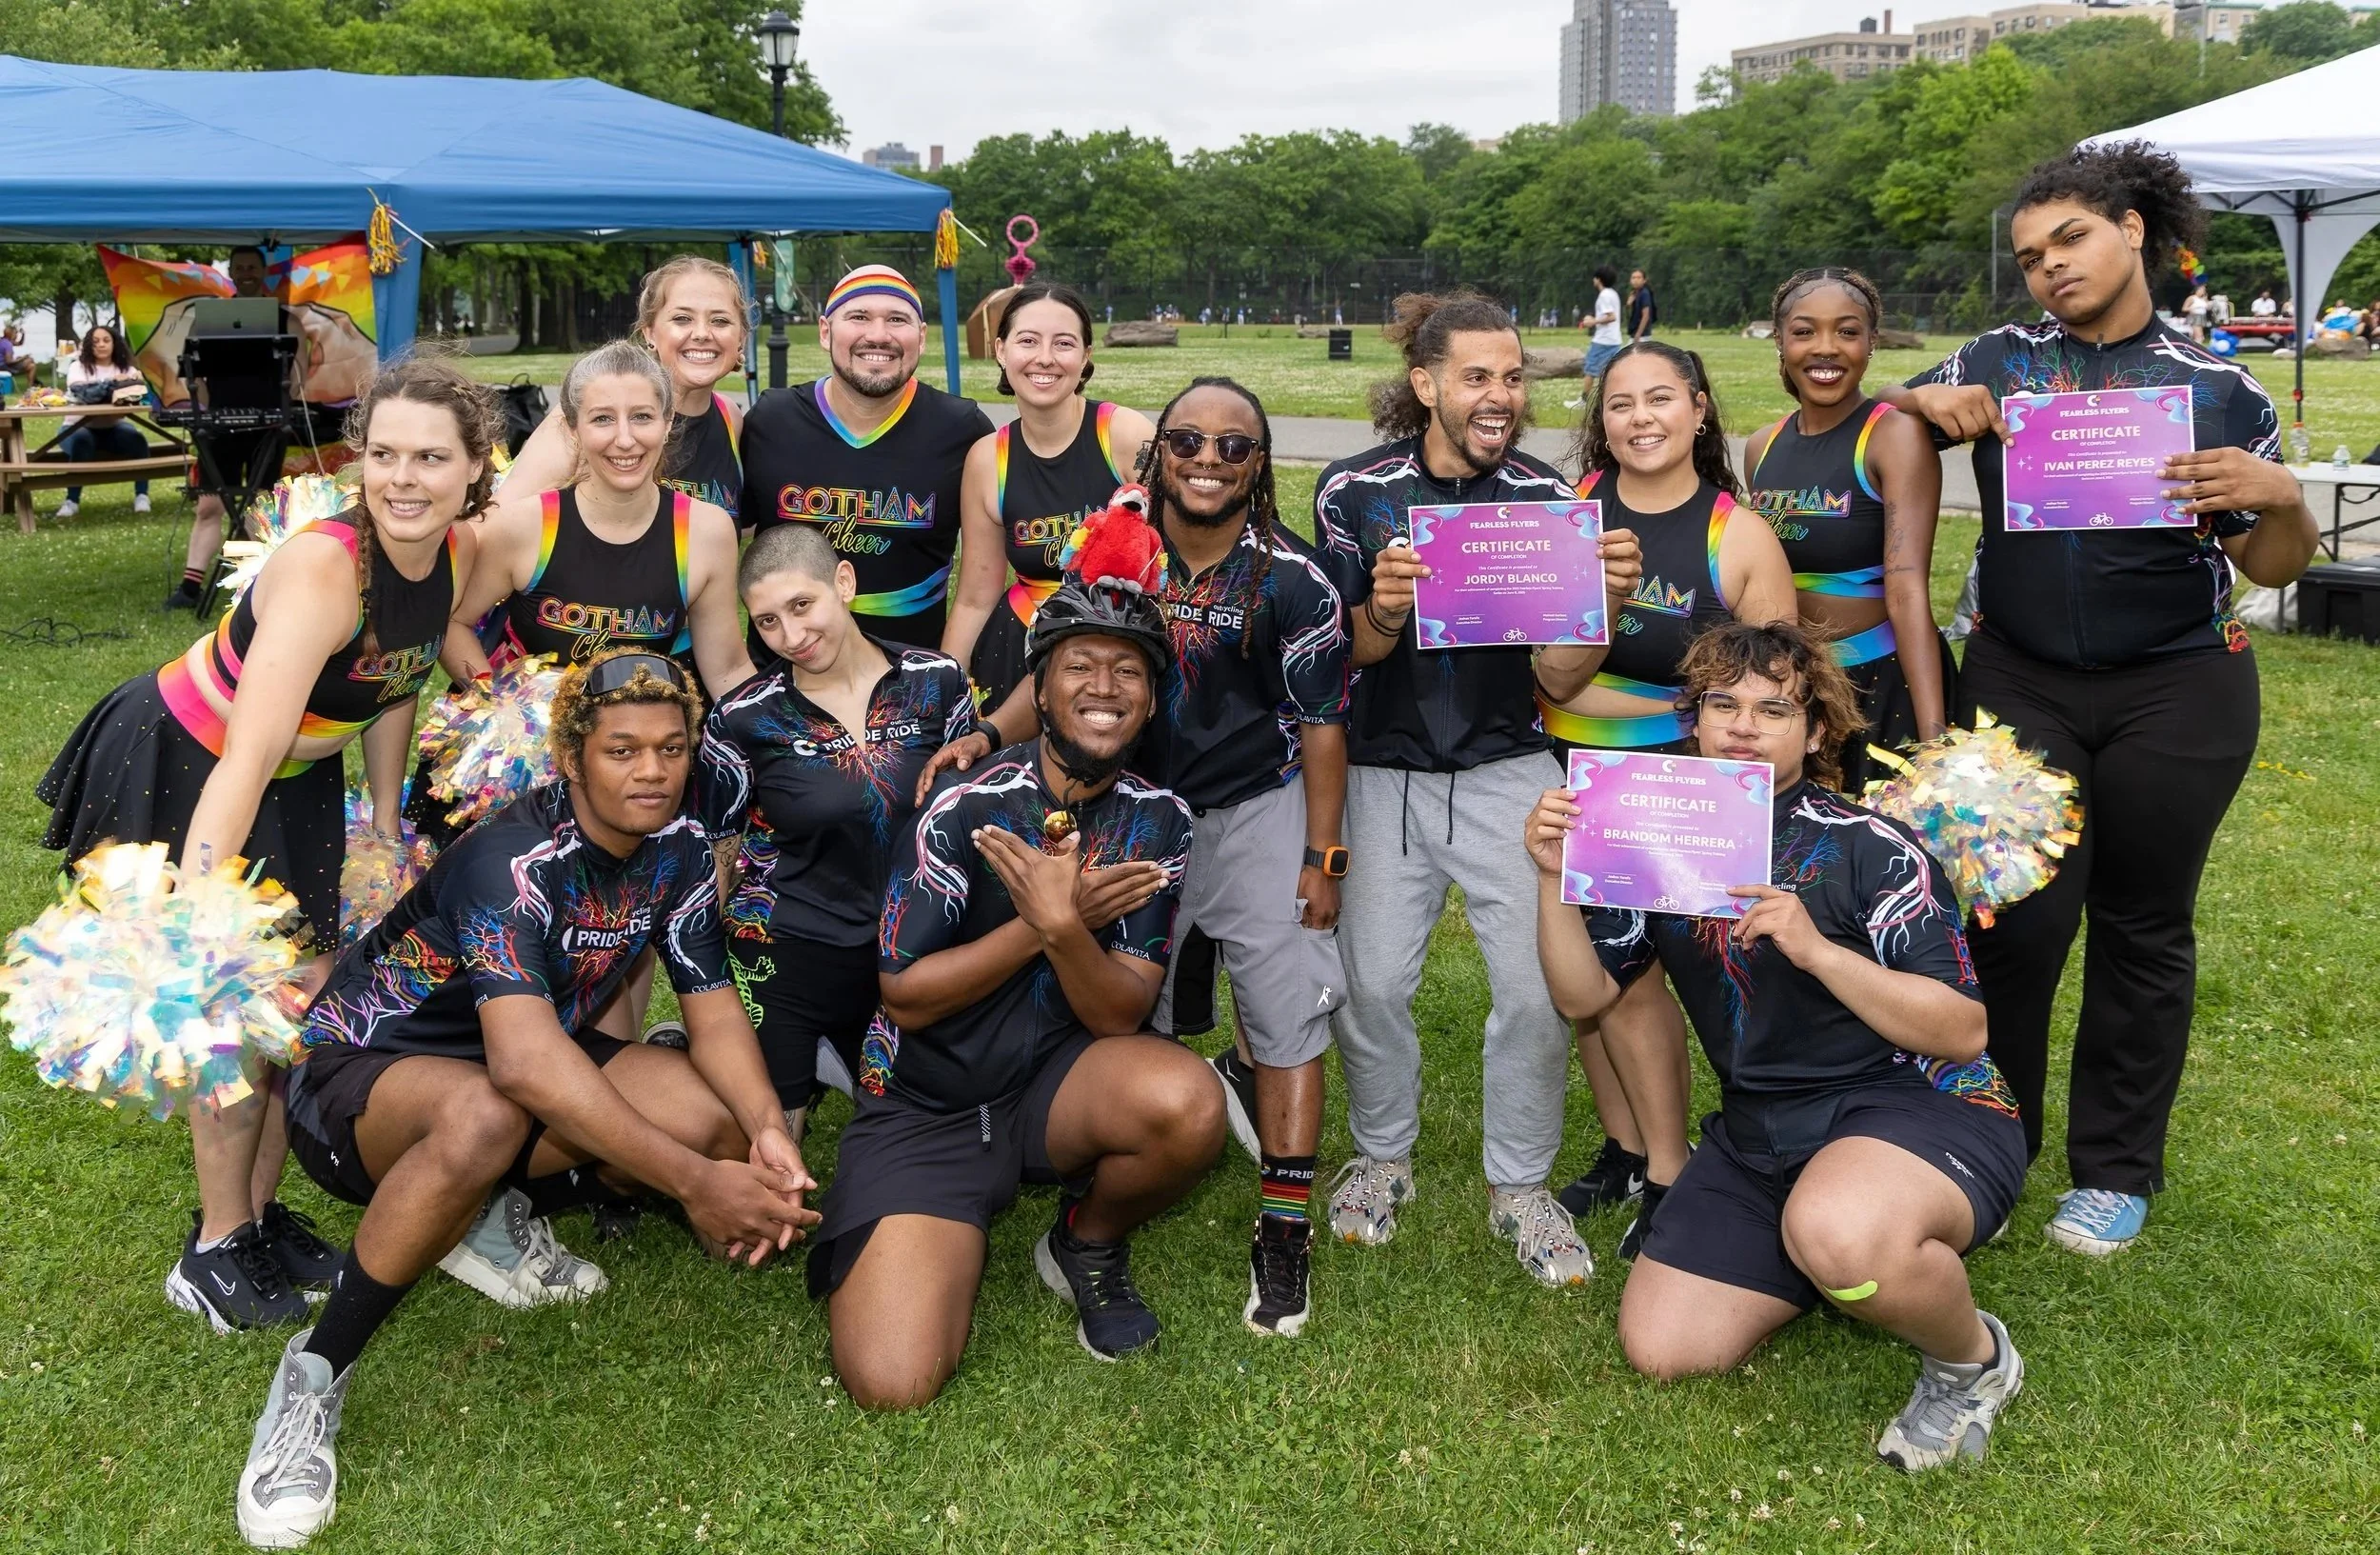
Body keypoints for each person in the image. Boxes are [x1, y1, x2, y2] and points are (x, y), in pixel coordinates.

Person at [236, 650, 816, 1547]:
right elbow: (526, 1066)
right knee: (489, 1113)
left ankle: (484, 1211)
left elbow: (712, 1008)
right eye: (624, 750)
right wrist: (695, 1183)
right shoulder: (511, 855)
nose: (653, 771)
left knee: (706, 1112)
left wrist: (765, 1129)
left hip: (521, 1042)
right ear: (574, 755)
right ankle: (311, 1378)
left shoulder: (683, 850)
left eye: (672, 747)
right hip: (363, 1070)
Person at [1883, 141, 2317, 1256]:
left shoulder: (2219, 387)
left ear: (2133, 230)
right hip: (2021, 677)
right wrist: (1928, 403)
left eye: (2068, 238)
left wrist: (2281, 497)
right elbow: (1890, 425)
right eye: (2029, 256)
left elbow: (2273, 566)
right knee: (2011, 920)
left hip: (2177, 688)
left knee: (2141, 922)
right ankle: (1987, 1137)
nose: (2049, 269)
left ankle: (2114, 1170)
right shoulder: (2000, 356)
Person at [38, 358, 490, 1335]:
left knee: (302, 1008)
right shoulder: (329, 568)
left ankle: (256, 1216)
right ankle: (211, 1247)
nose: (403, 477)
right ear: (357, 458)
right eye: (382, 454)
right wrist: (199, 915)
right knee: (235, 1017)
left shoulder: (454, 552)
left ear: (472, 470)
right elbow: (243, 756)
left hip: (300, 776)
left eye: (429, 457)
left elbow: (395, 678)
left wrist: (380, 816)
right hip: (190, 762)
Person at [1529, 620, 2027, 1470]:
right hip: (1762, 1128)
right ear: (1695, 719)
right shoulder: (1658, 835)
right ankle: (1832, 1256)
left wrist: (1819, 949)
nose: (1743, 726)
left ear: (1819, 730)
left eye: (1774, 709)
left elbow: (1963, 1030)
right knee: (1665, 1347)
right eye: (1723, 704)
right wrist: (1550, 877)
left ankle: (1971, 1359)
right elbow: (1585, 997)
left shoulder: (1870, 845)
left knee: (1840, 1231)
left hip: (1921, 1106)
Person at [926, 378, 1355, 1335]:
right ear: (1156, 450)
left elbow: (1323, 727)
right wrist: (990, 737)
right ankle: (1109, 1173)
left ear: (1260, 464)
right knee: (1124, 1010)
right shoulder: (1115, 543)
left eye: (1233, 447)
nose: (1208, 459)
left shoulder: (1293, 577)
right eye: (1188, 440)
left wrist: (1322, 855)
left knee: (1285, 1002)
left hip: (1255, 804)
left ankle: (1284, 1228)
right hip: (1129, 811)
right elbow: (1070, 671)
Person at [814, 531, 1216, 1404]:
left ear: (1152, 701)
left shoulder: (1162, 822)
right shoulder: (965, 803)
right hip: (928, 1099)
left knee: (1186, 1102)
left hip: (1057, 1081)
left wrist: (1065, 934)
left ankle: (1087, 1237)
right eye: (1079, 665)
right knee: (893, 1378)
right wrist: (1046, 924)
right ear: (1039, 686)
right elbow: (906, 995)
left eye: (1129, 672)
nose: (1104, 688)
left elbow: (1121, 1014)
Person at [1313, 290, 1640, 1289]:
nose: (1499, 395)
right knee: (1370, 985)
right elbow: (1337, 659)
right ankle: (1380, 1155)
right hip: (1382, 772)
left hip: (1508, 770)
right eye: (1475, 376)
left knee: (1538, 988)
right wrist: (1381, 606)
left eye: (1511, 376)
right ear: (1424, 383)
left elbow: (1556, 678)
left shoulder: (1546, 499)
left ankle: (1519, 1181)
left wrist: (1607, 605)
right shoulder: (1350, 493)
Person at [1536, 341, 1795, 1242]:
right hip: (1569, 780)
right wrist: (1647, 690)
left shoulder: (1739, 535)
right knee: (1593, 977)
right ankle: (1626, 1146)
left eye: (1660, 400)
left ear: (1698, 409)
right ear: (1599, 420)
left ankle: (1675, 1168)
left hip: (1687, 796)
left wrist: (1641, 713)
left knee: (1650, 978)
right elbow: (1552, 676)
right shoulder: (1571, 516)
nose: (1640, 419)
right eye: (1619, 404)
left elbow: (1769, 701)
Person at [701, 523, 978, 1133]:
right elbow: (719, 844)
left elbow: (971, 817)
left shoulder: (938, 682)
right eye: (768, 622)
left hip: (915, 947)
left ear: (844, 583)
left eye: (802, 606)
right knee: (766, 1148)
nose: (791, 636)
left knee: (931, 1129)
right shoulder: (743, 718)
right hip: (786, 947)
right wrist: (711, 981)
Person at [1743, 268, 1953, 793]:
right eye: (1805, 331)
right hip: (1795, 689)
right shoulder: (1761, 448)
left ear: (1872, 341)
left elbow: (1907, 592)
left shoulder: (1893, 435)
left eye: (1847, 331)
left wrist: (1934, 739)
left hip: (1882, 684)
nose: (1826, 348)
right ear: (1781, 341)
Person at [442, 338, 747, 694]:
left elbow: (726, 669)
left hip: (641, 739)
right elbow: (452, 623)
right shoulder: (523, 527)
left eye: (642, 417)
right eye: (602, 418)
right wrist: (502, 714)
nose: (624, 439)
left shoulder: (706, 532)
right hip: (533, 740)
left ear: (667, 423)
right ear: (573, 429)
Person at [740, 265, 994, 651]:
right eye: (858, 317)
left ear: (922, 337)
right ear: (825, 331)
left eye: (897, 319)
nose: (878, 335)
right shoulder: (771, 421)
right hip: (783, 671)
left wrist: (944, 678)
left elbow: (980, 588)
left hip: (908, 673)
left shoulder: (963, 430)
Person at [942, 282, 1156, 718]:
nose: (1045, 359)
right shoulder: (987, 459)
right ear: (1001, 351)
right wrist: (938, 688)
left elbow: (1176, 564)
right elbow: (974, 598)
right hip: (1019, 646)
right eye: (1027, 341)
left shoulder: (1124, 435)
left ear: (1086, 356)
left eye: (1064, 343)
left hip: (1117, 651)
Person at [505, 254, 751, 522]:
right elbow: (500, 517)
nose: (702, 333)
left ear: (741, 337)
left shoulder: (730, 418)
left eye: (720, 321)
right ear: (649, 333)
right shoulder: (591, 415)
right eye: (682, 319)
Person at [166, 247, 283, 610]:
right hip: (218, 422)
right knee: (208, 505)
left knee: (258, 504)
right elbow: (193, 371)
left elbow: (299, 369)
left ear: (264, 271)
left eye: (252, 267)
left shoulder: (283, 317)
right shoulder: (210, 319)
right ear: (231, 272)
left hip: (269, 423)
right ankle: (190, 588)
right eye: (240, 268)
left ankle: (250, 587)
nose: (246, 272)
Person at [55, 321, 153, 519]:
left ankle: (142, 496)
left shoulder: (125, 368)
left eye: (106, 340)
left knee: (138, 440)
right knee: (82, 441)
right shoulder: (77, 367)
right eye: (96, 341)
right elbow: (85, 395)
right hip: (75, 427)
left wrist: (129, 383)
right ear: (89, 346)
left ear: (115, 344)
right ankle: (71, 501)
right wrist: (114, 384)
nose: (101, 345)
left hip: (113, 426)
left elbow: (138, 393)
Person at [1585, 268, 1625, 388]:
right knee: (1611, 372)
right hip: (1614, 340)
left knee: (1590, 369)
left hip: (1603, 340)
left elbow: (1611, 317)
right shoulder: (1613, 294)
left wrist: (1593, 321)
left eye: (1595, 278)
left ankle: (1584, 399)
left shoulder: (1604, 295)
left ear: (1599, 279)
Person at [1626, 269, 1657, 343]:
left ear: (1644, 280)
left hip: (1642, 336)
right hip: (1635, 333)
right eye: (1633, 278)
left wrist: (1638, 334)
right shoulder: (1635, 294)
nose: (1636, 280)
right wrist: (1628, 304)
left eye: (1639, 278)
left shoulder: (1644, 294)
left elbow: (1646, 315)